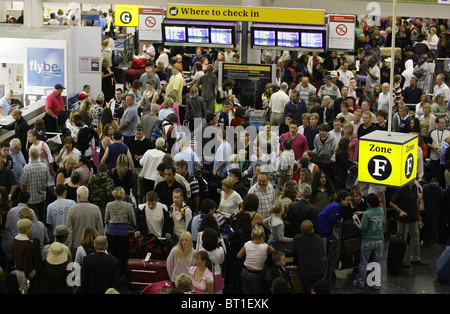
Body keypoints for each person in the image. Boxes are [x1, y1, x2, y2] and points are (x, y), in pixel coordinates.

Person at [390, 180, 428, 267]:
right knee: (402, 239)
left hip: (413, 217)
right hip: (403, 219)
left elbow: (416, 201)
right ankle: (401, 259)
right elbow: (392, 203)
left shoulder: (414, 187)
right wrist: (400, 211)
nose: (412, 182)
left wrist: (418, 215)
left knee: (415, 236)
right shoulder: (401, 189)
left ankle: (415, 257)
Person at [352, 193, 384, 289]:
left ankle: (361, 283)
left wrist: (356, 223)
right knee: (377, 262)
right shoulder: (381, 210)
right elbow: (373, 213)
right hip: (379, 240)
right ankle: (376, 284)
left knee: (364, 262)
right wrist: (363, 212)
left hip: (368, 241)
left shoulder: (367, 214)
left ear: (368, 204)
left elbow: (362, 228)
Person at [104, 187, 136, 275]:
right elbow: (133, 221)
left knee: (112, 254)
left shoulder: (109, 205)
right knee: (123, 256)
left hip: (111, 233)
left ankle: (111, 273)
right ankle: (121, 275)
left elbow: (106, 219)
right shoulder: (128, 206)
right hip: (123, 233)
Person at [65, 186, 104, 257]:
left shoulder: (72, 210)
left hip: (77, 245)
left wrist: (69, 248)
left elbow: (69, 230)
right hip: (93, 246)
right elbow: (100, 229)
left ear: (78, 196)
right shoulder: (96, 209)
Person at [236, 224, 275, 294]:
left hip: (244, 271)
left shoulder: (247, 244)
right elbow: (273, 251)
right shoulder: (265, 247)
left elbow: (238, 256)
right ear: (263, 235)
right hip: (256, 274)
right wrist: (263, 241)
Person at [292, 219, 326, 294]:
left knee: (306, 291)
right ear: (312, 229)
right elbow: (323, 253)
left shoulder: (296, 239)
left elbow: (294, 253)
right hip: (319, 271)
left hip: (305, 272)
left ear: (301, 229)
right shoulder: (318, 238)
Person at [19, 146, 49, 222]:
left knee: (34, 220)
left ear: (29, 154)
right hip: (42, 197)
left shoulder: (26, 168)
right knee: (43, 218)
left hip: (31, 199)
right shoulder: (44, 167)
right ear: (39, 155)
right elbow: (47, 180)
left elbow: (23, 185)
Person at [11, 219, 34, 293]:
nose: (31, 229)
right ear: (27, 229)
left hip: (17, 269)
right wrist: (28, 276)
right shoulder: (28, 244)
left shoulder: (14, 240)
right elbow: (27, 261)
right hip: (25, 272)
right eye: (30, 228)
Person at [201, 228, 226, 294]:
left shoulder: (201, 251)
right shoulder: (220, 250)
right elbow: (221, 261)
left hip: (204, 275)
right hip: (217, 274)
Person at [427, 116, 450, 181]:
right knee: (433, 173)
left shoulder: (448, 132)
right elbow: (428, 143)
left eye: (444, 123)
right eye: (442, 123)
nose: (444, 124)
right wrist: (433, 147)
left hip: (444, 158)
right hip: (434, 156)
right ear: (437, 124)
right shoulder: (432, 132)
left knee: (443, 175)